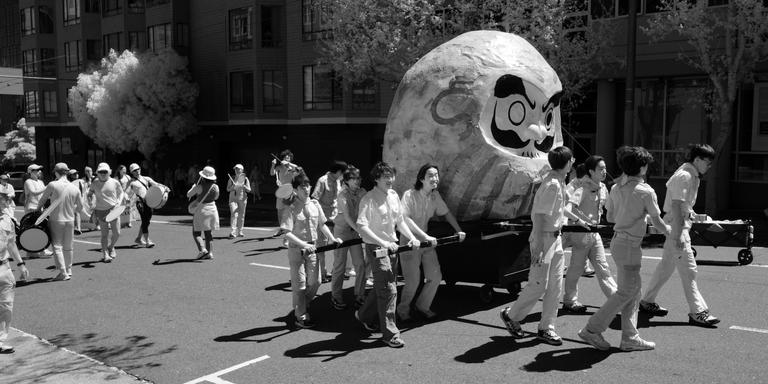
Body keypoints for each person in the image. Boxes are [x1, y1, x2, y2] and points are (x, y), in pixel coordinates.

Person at [578, 146, 671, 352]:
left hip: (619, 243)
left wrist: (632, 215)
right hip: (629, 245)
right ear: (643, 167)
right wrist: (671, 232)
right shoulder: (646, 191)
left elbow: (610, 218)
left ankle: (630, 336)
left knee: (633, 292)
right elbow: (658, 222)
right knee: (626, 292)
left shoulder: (616, 188)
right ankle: (592, 329)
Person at [500, 146, 588, 346]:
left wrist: (577, 220)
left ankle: (546, 328)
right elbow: (539, 216)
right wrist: (539, 247)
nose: (573, 161)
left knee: (555, 287)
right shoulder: (552, 184)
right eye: (571, 159)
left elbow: (558, 210)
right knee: (538, 285)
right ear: (566, 163)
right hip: (545, 240)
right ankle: (512, 315)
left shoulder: (558, 181)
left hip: (554, 239)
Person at [640, 144, 720, 327]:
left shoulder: (689, 174)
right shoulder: (685, 176)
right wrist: (678, 234)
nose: (709, 166)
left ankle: (647, 301)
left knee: (666, 268)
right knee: (689, 271)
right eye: (707, 162)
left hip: (678, 225)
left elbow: (682, 206)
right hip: (678, 227)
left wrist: (693, 216)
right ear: (697, 160)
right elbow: (676, 205)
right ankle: (698, 311)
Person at [355, 162, 421, 348]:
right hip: (377, 250)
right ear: (376, 178)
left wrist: (411, 237)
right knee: (390, 290)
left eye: (391, 176)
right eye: (386, 177)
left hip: (392, 249)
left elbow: (400, 221)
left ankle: (363, 315)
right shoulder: (368, 199)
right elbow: (362, 227)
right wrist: (383, 242)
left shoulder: (393, 195)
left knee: (383, 287)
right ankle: (390, 334)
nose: (390, 180)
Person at [398, 164, 465, 321]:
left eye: (436, 175)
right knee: (412, 281)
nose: (435, 178)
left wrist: (458, 230)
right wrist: (424, 237)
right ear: (421, 178)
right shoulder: (409, 195)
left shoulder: (435, 196)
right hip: (409, 242)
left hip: (427, 241)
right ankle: (403, 309)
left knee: (435, 276)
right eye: (431, 175)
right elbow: (405, 219)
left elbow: (447, 213)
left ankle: (422, 306)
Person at [280, 172, 342, 329]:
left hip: (313, 248)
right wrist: (303, 244)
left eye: (307, 185)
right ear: (295, 189)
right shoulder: (291, 208)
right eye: (302, 187)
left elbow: (322, 225)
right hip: (296, 250)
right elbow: (286, 232)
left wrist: (333, 239)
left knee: (317, 281)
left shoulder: (315, 204)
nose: (306, 189)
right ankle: (301, 316)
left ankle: (301, 304)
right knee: (299, 284)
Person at [561, 155, 617, 313]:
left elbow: (610, 210)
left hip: (594, 234)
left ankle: (616, 299)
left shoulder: (603, 188)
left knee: (603, 268)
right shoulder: (582, 188)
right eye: (600, 169)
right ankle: (569, 301)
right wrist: (580, 221)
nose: (604, 171)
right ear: (591, 171)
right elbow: (567, 209)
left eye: (605, 168)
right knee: (576, 269)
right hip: (580, 235)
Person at [329, 166, 367, 310]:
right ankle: (336, 296)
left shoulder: (363, 192)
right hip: (343, 231)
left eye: (358, 178)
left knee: (360, 264)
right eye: (354, 179)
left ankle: (360, 295)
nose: (357, 181)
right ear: (346, 181)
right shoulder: (342, 195)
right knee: (340, 265)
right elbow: (347, 217)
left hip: (355, 231)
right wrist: (361, 231)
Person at [38, 163, 83, 281]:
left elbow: (43, 200)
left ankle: (62, 272)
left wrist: (37, 211)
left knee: (57, 246)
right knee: (68, 247)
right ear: (67, 172)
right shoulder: (75, 187)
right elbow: (80, 207)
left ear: (56, 172)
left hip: (56, 219)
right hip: (70, 219)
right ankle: (69, 269)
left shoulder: (53, 185)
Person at [311, 160, 348, 282]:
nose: (344, 175)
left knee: (337, 244)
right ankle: (322, 272)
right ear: (338, 172)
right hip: (323, 219)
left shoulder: (338, 181)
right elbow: (314, 199)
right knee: (321, 246)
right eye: (343, 173)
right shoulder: (322, 181)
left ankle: (337, 271)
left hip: (335, 218)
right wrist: (320, 217)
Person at [0, 207, 29, 353]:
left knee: (6, 306)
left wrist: (21, 264)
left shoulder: (7, 220)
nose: (2, 200)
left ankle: (0, 341)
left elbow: (11, 243)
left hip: (4, 268)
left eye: (3, 198)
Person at [87, 163, 124, 263]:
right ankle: (105, 254)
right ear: (97, 173)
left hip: (113, 209)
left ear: (109, 172)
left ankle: (111, 247)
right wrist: (91, 201)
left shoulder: (115, 182)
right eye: (100, 172)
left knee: (117, 233)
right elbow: (89, 193)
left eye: (105, 171)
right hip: (100, 211)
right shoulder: (94, 183)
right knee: (104, 234)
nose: (103, 173)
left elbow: (121, 193)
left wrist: (118, 203)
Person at [128, 163, 169, 248]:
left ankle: (139, 238)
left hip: (149, 202)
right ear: (132, 172)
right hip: (140, 202)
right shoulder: (131, 182)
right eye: (134, 170)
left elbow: (156, 184)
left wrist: (165, 187)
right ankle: (147, 241)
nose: (137, 171)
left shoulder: (146, 178)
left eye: (138, 169)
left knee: (146, 221)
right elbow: (126, 191)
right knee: (145, 220)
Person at [187, 166, 220, 260]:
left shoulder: (199, 187)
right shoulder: (216, 186)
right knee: (208, 233)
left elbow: (188, 194)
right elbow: (216, 197)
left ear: (203, 177)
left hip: (202, 210)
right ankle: (210, 253)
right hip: (212, 209)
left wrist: (193, 187)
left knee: (196, 232)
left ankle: (202, 250)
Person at [270, 150, 301, 245]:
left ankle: (287, 237)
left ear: (290, 158)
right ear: (282, 158)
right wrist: (272, 165)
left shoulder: (292, 168)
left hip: (289, 192)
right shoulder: (279, 167)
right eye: (285, 157)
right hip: (281, 191)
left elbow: (298, 169)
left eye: (288, 157)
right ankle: (282, 229)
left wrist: (288, 163)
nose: (287, 158)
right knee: (280, 212)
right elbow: (272, 173)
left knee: (288, 215)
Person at [23, 164, 53, 258]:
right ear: (30, 172)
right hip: (31, 208)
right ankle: (40, 251)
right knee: (34, 230)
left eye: (39, 170)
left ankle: (32, 252)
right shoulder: (28, 181)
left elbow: (44, 194)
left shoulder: (40, 181)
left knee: (39, 229)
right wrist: (47, 187)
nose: (38, 171)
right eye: (36, 170)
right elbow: (33, 192)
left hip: (40, 208)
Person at [227, 164, 251, 239]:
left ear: (242, 170)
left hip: (242, 199)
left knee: (241, 215)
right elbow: (228, 189)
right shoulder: (232, 178)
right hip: (233, 199)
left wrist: (244, 186)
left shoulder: (246, 179)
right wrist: (233, 187)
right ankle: (233, 232)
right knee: (234, 214)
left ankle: (240, 231)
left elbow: (249, 190)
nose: (237, 170)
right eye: (236, 169)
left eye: (239, 169)